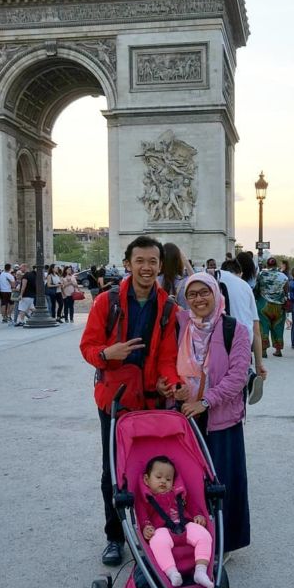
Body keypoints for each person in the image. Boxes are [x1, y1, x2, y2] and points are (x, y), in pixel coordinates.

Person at [80, 235, 180, 566]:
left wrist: (171, 382)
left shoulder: (168, 307)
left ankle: (151, 530)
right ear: (128, 264)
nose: (146, 267)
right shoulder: (105, 303)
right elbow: (88, 347)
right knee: (113, 472)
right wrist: (108, 353)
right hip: (115, 400)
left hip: (150, 400)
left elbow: (168, 357)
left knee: (151, 469)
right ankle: (114, 536)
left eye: (153, 261)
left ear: (160, 265)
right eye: (140, 261)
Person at [173, 272, 251, 554]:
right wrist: (173, 388)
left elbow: (237, 377)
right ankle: (196, 540)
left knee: (224, 482)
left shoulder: (235, 329)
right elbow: (170, 366)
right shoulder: (180, 324)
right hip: (185, 416)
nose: (198, 299)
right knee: (189, 483)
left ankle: (225, 543)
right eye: (191, 294)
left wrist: (205, 401)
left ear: (216, 294)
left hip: (220, 419)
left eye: (204, 292)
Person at [135, 455, 214, 588]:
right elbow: (142, 516)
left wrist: (198, 515)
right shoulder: (146, 500)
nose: (163, 481)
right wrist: (146, 526)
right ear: (147, 480)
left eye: (168, 479)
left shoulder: (179, 494)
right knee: (157, 541)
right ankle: (172, 573)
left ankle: (200, 571)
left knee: (204, 535)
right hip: (161, 529)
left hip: (185, 525)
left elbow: (192, 506)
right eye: (158, 477)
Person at [219, 258, 267, 404]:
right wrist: (259, 365)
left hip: (221, 337)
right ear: (239, 273)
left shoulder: (216, 278)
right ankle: (248, 374)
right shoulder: (246, 287)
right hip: (244, 341)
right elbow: (256, 330)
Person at [255, 256, 288, 357]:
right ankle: (278, 350)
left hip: (263, 305)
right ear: (276, 265)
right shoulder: (283, 276)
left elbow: (256, 288)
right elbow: (286, 291)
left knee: (263, 327)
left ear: (267, 265)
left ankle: (264, 351)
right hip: (279, 306)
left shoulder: (261, 274)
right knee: (278, 327)